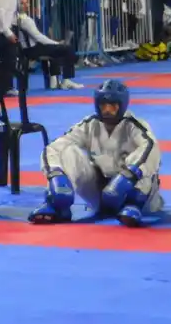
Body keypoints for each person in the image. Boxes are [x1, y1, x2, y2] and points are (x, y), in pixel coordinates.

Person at [30, 80, 160, 226]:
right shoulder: (89, 124)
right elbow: (55, 147)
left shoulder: (134, 126)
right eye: (103, 106)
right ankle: (58, 205)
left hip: (135, 192)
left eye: (113, 106)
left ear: (122, 105)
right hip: (101, 191)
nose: (107, 110)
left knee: (147, 163)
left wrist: (129, 175)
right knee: (67, 150)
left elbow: (151, 148)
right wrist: (56, 175)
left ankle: (133, 206)